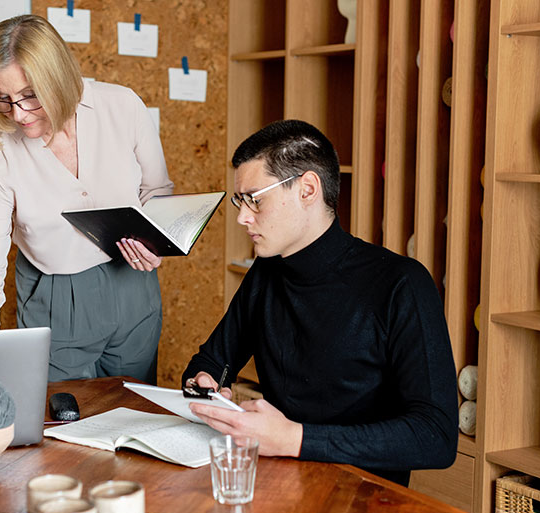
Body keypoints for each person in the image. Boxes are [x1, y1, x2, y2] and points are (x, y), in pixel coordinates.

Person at [183, 120, 458, 486]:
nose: (242, 217)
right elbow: (215, 359)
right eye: (240, 200)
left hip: (362, 497)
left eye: (255, 200)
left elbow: (436, 436)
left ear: (307, 189)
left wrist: (295, 439)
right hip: (279, 481)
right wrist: (204, 383)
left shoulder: (401, 283)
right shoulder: (267, 272)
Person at [0, 15, 173, 383]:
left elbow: (157, 193)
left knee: (134, 414)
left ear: (57, 77)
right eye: (4, 100)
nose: (18, 114)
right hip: (56, 296)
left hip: (134, 286)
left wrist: (156, 240)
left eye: (29, 95)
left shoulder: (122, 107)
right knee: (61, 424)